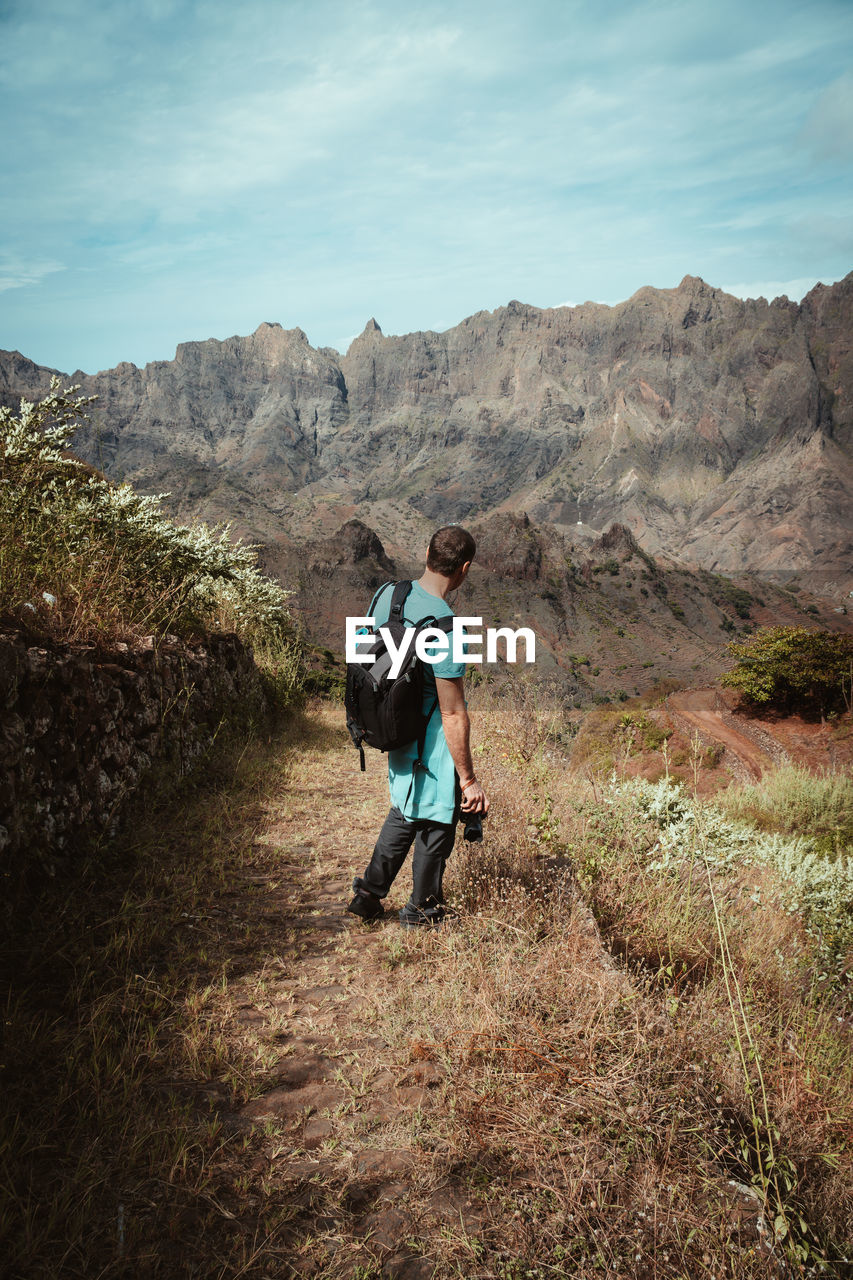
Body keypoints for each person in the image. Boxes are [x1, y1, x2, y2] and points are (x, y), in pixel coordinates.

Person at [347, 525, 490, 926]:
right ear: (464, 569)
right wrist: (468, 779)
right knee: (437, 820)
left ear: (427, 553)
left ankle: (368, 895)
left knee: (405, 810)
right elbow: (453, 712)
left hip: (391, 728)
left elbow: (362, 657)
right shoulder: (445, 625)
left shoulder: (385, 595)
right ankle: (422, 911)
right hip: (430, 741)